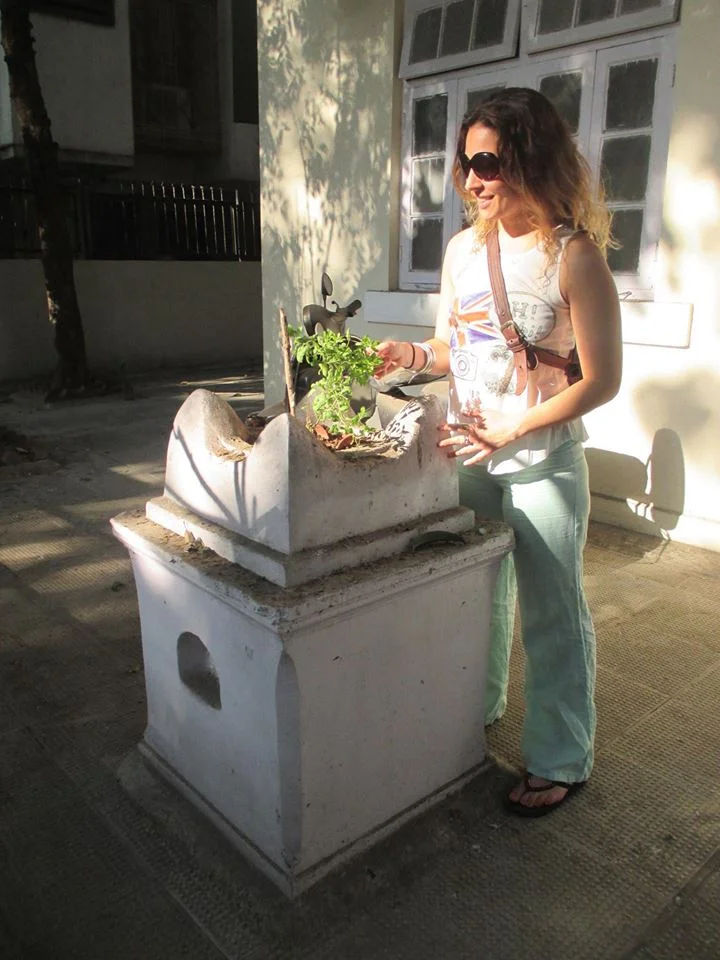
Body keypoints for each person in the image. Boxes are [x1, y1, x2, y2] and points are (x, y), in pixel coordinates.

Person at [376, 87, 622, 817]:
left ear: (530, 158)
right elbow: (455, 348)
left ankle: (561, 755)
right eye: (465, 162)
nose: (473, 177)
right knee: (475, 598)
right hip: (471, 455)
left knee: (553, 613)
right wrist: (410, 353)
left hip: (541, 462)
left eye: (489, 161)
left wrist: (515, 430)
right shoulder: (463, 251)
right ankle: (474, 709)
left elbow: (604, 381)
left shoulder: (573, 258)